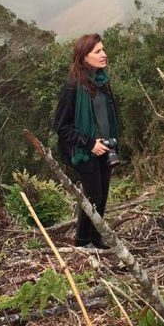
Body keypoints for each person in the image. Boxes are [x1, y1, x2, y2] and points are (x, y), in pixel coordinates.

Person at [53, 33, 119, 250]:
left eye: (103, 49)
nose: (104, 54)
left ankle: (97, 238)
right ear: (84, 57)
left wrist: (110, 143)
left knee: (103, 195)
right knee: (92, 197)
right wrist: (90, 143)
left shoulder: (102, 82)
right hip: (85, 150)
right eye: (98, 51)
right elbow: (62, 127)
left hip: (106, 147)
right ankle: (82, 242)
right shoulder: (73, 86)